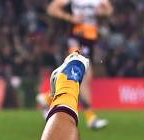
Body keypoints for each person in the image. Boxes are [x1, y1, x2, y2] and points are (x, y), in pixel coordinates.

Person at [41, 0, 111, 130]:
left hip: (90, 39)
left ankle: (47, 98)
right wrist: (71, 18)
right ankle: (91, 118)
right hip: (77, 38)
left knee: (81, 77)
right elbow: (52, 8)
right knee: (82, 75)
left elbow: (109, 10)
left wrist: (102, 13)